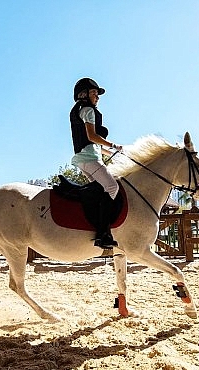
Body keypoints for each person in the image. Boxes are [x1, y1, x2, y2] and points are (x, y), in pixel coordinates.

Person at [70, 78, 123, 249]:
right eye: (94, 93)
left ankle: (97, 228)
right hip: (89, 159)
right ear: (84, 94)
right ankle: (103, 233)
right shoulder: (88, 110)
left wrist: (113, 153)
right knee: (113, 188)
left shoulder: (80, 110)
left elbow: (92, 144)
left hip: (85, 158)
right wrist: (113, 145)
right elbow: (93, 137)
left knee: (101, 192)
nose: (97, 97)